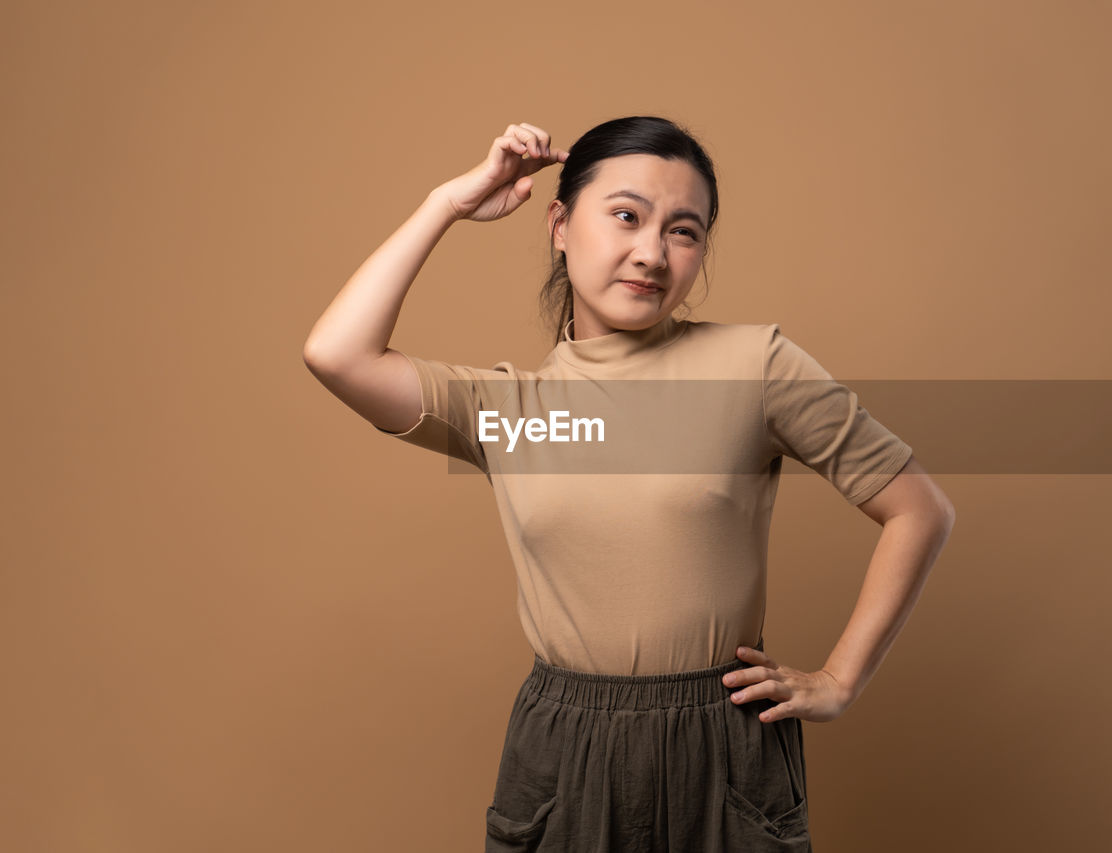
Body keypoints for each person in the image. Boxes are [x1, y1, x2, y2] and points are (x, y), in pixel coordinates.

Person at [303, 116, 956, 852]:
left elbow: (918, 510)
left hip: (725, 741)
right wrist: (448, 203)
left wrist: (840, 679)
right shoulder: (512, 412)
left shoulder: (756, 367)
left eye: (685, 231)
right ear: (559, 223)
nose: (651, 253)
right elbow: (336, 353)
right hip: (564, 746)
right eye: (625, 215)